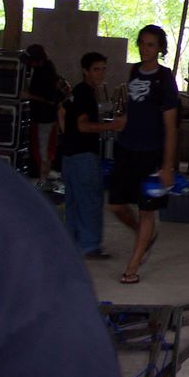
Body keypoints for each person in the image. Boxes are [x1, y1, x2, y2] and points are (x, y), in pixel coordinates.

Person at [0, 153, 129, 377]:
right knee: (80, 201)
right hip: (78, 160)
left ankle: (89, 243)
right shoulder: (8, 216)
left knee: (83, 202)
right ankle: (88, 243)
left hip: (79, 160)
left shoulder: (6, 217)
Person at [108, 25, 179, 285]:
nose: (145, 49)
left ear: (160, 48)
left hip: (151, 152)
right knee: (116, 204)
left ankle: (132, 267)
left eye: (151, 45)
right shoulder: (134, 71)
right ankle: (143, 234)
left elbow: (171, 126)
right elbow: (134, 107)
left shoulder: (164, 78)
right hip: (127, 147)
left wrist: (167, 166)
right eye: (142, 43)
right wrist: (123, 121)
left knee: (146, 211)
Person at [61, 52, 125, 259]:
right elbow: (83, 126)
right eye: (96, 69)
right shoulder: (85, 93)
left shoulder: (77, 92)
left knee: (74, 202)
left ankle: (71, 244)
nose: (101, 73)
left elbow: (61, 111)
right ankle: (89, 246)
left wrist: (66, 135)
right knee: (90, 201)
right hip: (83, 155)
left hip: (70, 155)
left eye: (103, 69)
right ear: (85, 71)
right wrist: (111, 126)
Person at [21, 44, 65, 186]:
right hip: (42, 117)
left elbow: (50, 99)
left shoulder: (47, 72)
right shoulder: (43, 68)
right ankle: (43, 178)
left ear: (38, 59)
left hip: (44, 118)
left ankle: (42, 180)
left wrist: (29, 95)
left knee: (42, 150)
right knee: (42, 149)